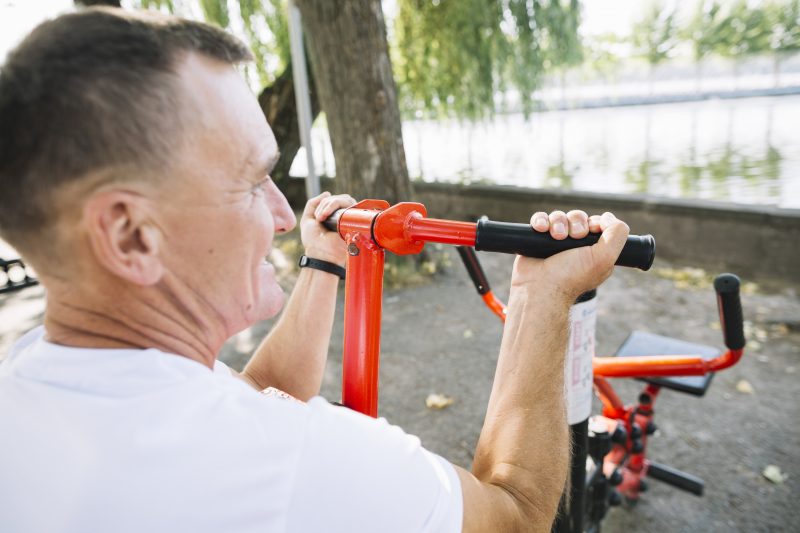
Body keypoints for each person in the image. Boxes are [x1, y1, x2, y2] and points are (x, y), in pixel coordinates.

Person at [0, 7, 629, 533]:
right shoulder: (292, 465)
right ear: (131, 235)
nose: (280, 212)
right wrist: (541, 297)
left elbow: (244, 398)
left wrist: (322, 263)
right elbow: (515, 518)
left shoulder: (30, 378)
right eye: (251, 182)